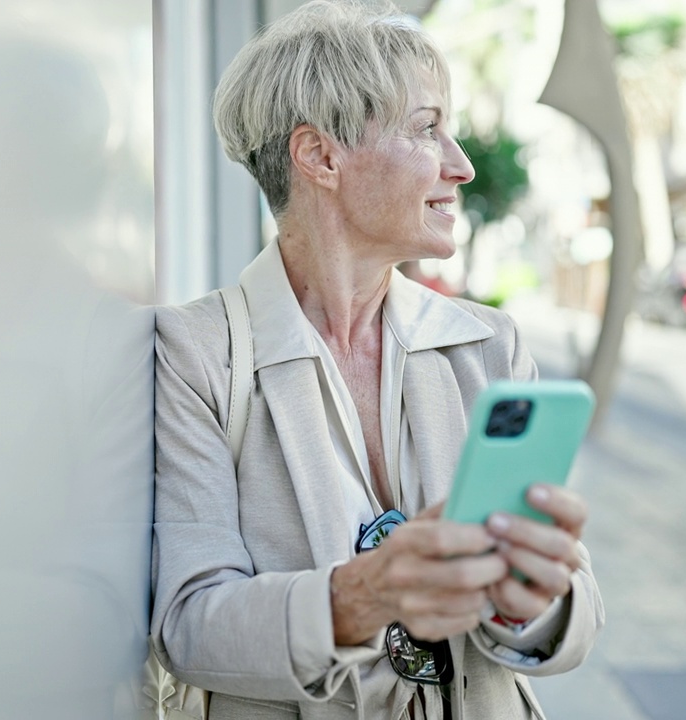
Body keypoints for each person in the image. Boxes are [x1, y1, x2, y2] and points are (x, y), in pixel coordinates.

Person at [150, 2, 604, 718]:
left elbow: (571, 614)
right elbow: (191, 625)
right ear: (320, 156)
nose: (460, 165)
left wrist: (535, 602)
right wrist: (360, 595)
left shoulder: (491, 347)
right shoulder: (195, 355)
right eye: (427, 129)